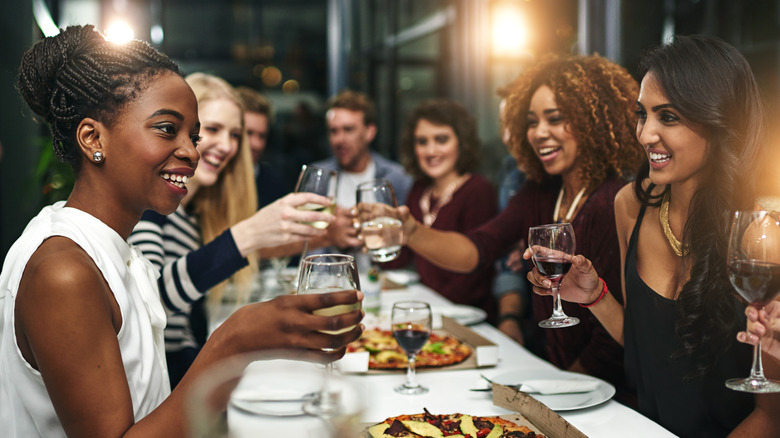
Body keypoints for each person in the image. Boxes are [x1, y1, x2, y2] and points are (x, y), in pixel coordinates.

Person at [0, 25, 363, 437]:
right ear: (92, 137)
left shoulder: (117, 250)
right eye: (167, 129)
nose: (192, 151)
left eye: (193, 135)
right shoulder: (63, 272)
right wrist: (234, 342)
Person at [524, 35, 780, 435]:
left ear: (719, 123)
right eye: (643, 114)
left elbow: (769, 416)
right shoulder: (631, 206)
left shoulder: (760, 239)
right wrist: (593, 297)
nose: (645, 135)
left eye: (669, 117)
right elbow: (647, 352)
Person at [394, 54, 644, 401]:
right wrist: (411, 231)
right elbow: (479, 248)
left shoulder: (612, 200)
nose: (539, 133)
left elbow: (615, 336)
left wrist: (553, 396)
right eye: (531, 121)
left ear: (592, 122)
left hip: (604, 398)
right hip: (552, 377)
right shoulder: (539, 191)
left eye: (554, 119)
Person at [129, 73, 336, 387]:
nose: (226, 146)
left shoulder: (190, 212)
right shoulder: (150, 205)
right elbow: (150, 300)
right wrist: (248, 233)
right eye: (212, 129)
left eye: (235, 135)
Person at [384, 99, 499, 320]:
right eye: (422, 142)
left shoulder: (477, 190)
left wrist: (425, 311)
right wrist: (382, 235)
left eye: (441, 140)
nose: (431, 150)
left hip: (468, 318)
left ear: (461, 142)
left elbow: (475, 278)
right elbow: (401, 258)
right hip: (431, 311)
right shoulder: (419, 189)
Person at [313, 90, 412, 251]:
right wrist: (327, 232)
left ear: (370, 132)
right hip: (329, 272)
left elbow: (409, 240)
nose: (339, 139)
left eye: (349, 129)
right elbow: (298, 237)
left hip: (382, 272)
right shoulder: (318, 177)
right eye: (333, 131)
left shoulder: (397, 178)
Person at [235, 85, 290, 208]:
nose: (257, 144)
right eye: (248, 133)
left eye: (262, 136)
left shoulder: (275, 185)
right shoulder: (212, 178)